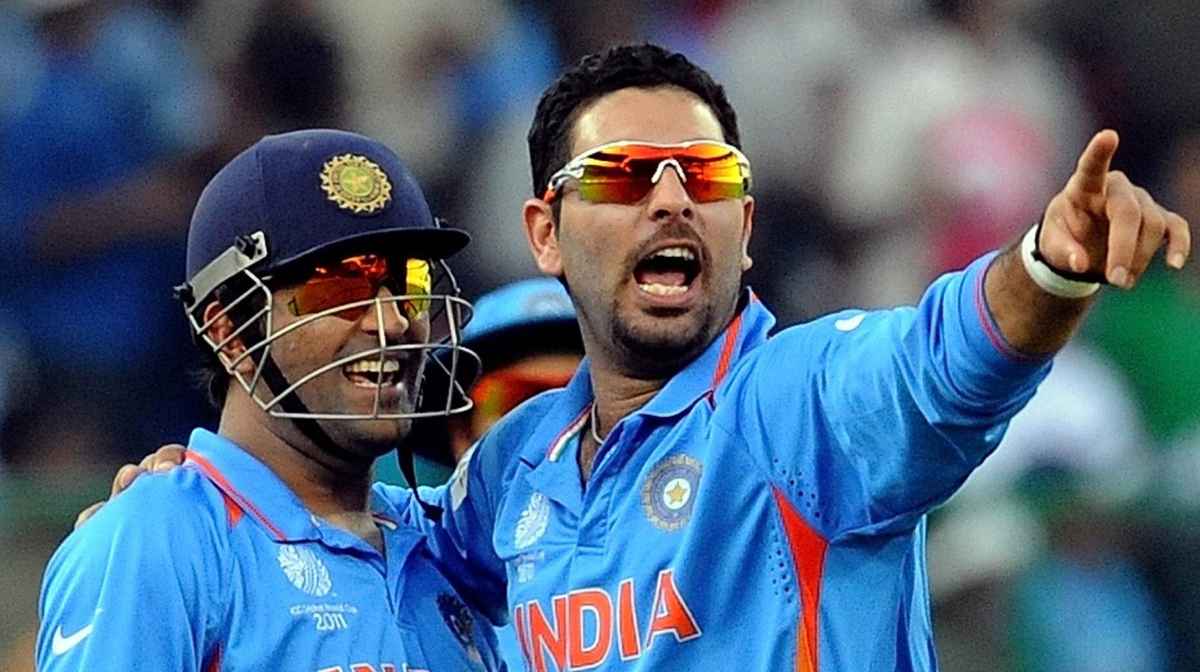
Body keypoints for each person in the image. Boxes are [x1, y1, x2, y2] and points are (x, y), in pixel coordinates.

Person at [87, 44, 1190, 671]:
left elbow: (945, 364)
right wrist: (187, 503)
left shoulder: (798, 406)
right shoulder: (510, 472)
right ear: (544, 232)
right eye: (622, 177)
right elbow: (356, 536)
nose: (670, 199)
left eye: (706, 177)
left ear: (746, 225)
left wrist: (1048, 266)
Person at [38, 129, 504, 671]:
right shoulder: (159, 541)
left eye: (410, 283)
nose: (394, 321)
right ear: (229, 332)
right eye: (340, 286)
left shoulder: (446, 546)